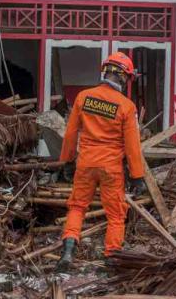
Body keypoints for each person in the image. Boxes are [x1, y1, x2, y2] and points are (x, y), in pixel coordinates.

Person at [56, 52, 146, 272]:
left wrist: (66, 161)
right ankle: (111, 258)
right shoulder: (126, 106)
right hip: (111, 168)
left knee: (77, 207)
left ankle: (68, 252)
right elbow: (132, 146)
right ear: (124, 78)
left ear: (105, 72)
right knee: (116, 214)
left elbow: (70, 134)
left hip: (85, 164)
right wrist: (137, 176)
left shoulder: (83, 97)